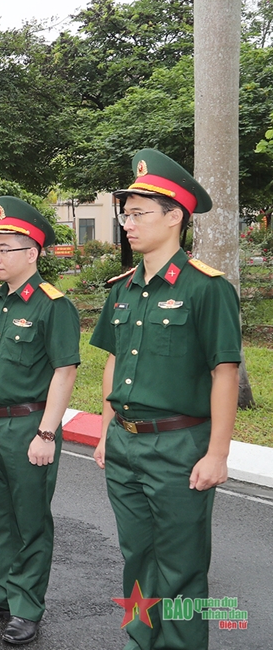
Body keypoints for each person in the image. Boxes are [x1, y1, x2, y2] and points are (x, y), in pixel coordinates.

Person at [90, 149, 241, 650]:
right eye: (125, 214)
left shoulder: (206, 288)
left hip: (180, 446)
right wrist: (106, 429)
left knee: (180, 564)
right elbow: (113, 361)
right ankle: (141, 640)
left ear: (176, 215)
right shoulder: (124, 288)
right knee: (137, 556)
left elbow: (225, 373)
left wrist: (217, 453)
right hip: (126, 444)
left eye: (138, 214)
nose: (127, 224)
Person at [0, 197, 80, 645]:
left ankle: (26, 605)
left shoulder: (52, 305)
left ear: (33, 253)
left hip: (29, 427)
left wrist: (47, 431)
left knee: (29, 520)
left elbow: (65, 371)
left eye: (5, 248)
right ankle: (0, 590)